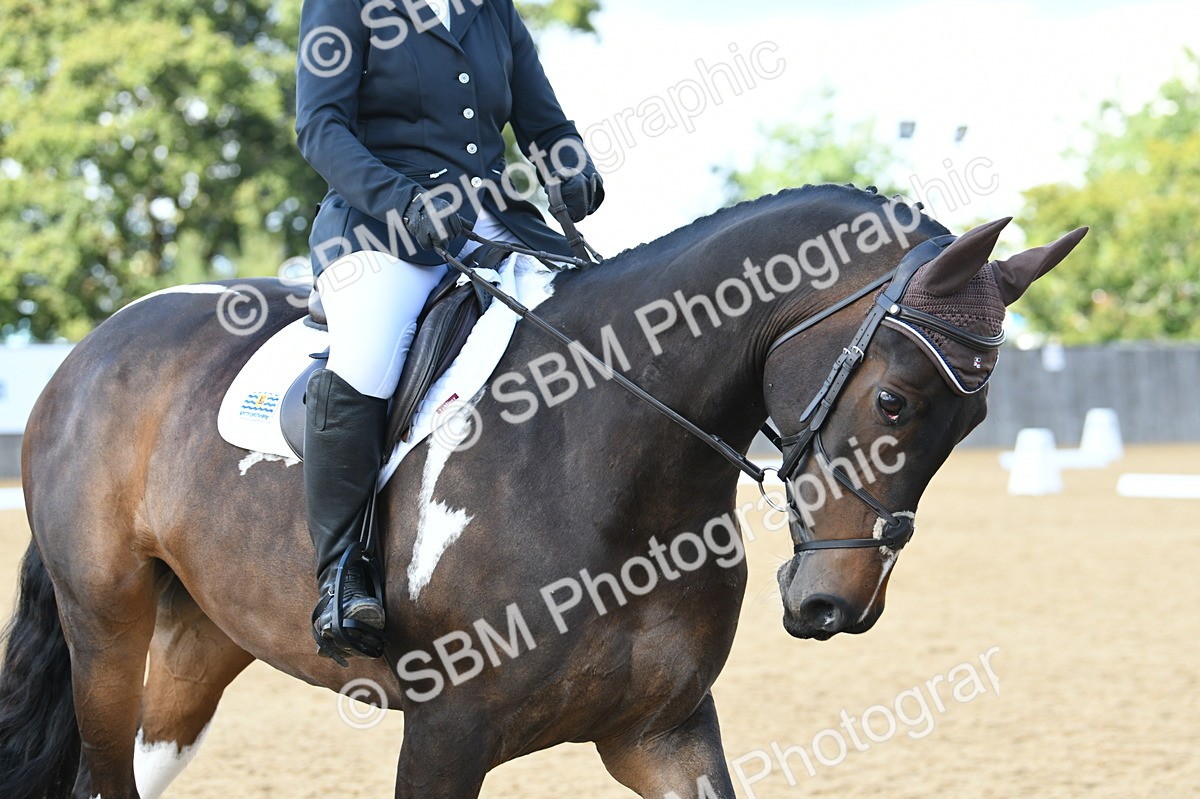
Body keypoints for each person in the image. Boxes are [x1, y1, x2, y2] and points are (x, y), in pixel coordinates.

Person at [294, 0, 604, 661]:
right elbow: (320, 127)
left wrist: (569, 161)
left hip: (492, 221)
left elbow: (543, 121)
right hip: (382, 227)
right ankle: (343, 568)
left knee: (598, 314)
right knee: (367, 355)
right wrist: (402, 200)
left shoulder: (491, 9)